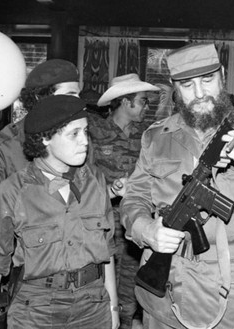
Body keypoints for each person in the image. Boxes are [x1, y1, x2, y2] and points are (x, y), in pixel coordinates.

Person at [121, 43, 234, 329]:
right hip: (166, 293)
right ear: (175, 88)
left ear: (223, 75)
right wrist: (145, 229)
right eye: (187, 85)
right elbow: (134, 198)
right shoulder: (156, 137)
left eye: (207, 80)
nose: (200, 93)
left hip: (231, 299)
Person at [0, 95, 119, 329]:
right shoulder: (13, 192)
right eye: (74, 134)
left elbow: (107, 251)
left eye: (85, 131)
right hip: (36, 310)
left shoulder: (95, 181)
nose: (85, 141)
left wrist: (112, 310)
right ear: (45, 139)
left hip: (92, 305)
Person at [0, 59, 81, 229]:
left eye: (79, 95)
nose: (78, 102)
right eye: (70, 95)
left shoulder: (79, 141)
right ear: (39, 97)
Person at [90, 73, 160, 329]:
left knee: (130, 292)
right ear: (124, 102)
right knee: (99, 291)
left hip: (134, 227)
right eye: (142, 100)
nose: (146, 106)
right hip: (100, 226)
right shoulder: (91, 134)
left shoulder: (148, 136)